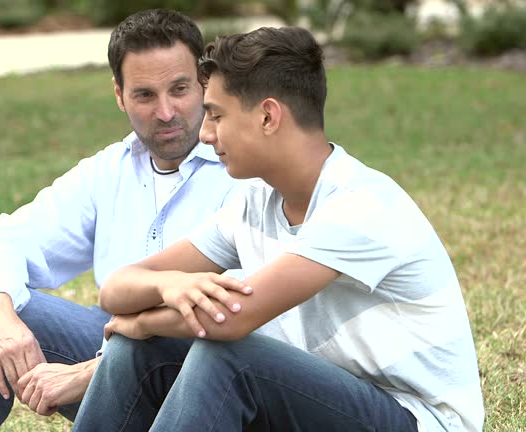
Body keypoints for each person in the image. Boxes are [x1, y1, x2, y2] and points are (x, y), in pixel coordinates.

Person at [0, 10, 302, 432]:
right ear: (119, 94)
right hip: (116, 351)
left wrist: (89, 373)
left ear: (204, 83)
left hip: (210, 375)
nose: (166, 112)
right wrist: (0, 319)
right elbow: (1, 245)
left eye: (180, 90)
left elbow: (253, 324)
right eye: (145, 95)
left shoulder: (246, 170)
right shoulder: (108, 171)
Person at [72, 26, 485, 432]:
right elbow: (117, 288)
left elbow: (231, 321)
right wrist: (168, 287)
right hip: (314, 402)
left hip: (415, 418)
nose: (205, 133)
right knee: (135, 348)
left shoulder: (360, 204)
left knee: (228, 357)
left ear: (268, 116)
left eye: (216, 114)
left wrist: (144, 321)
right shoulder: (254, 201)